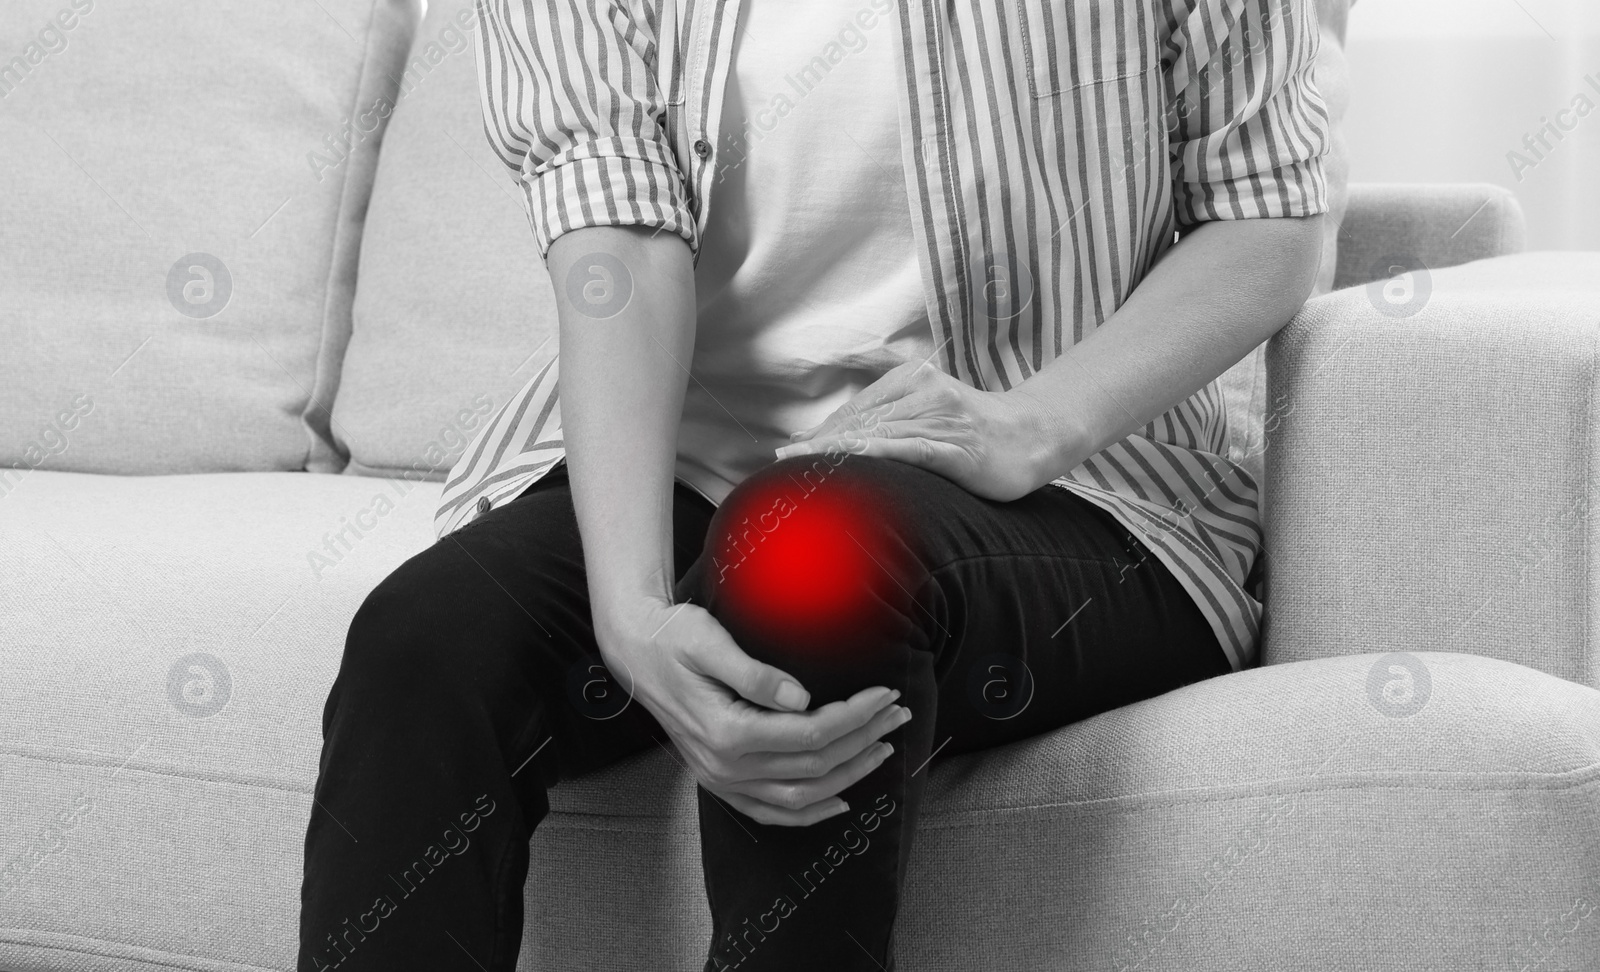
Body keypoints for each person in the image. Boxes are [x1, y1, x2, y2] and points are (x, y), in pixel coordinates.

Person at [297, 0, 1332, 967]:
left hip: (1086, 478)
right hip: (705, 458)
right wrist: (631, 611)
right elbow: (613, 237)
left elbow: (1271, 215)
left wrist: (1031, 425)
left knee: (799, 562)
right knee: (425, 645)